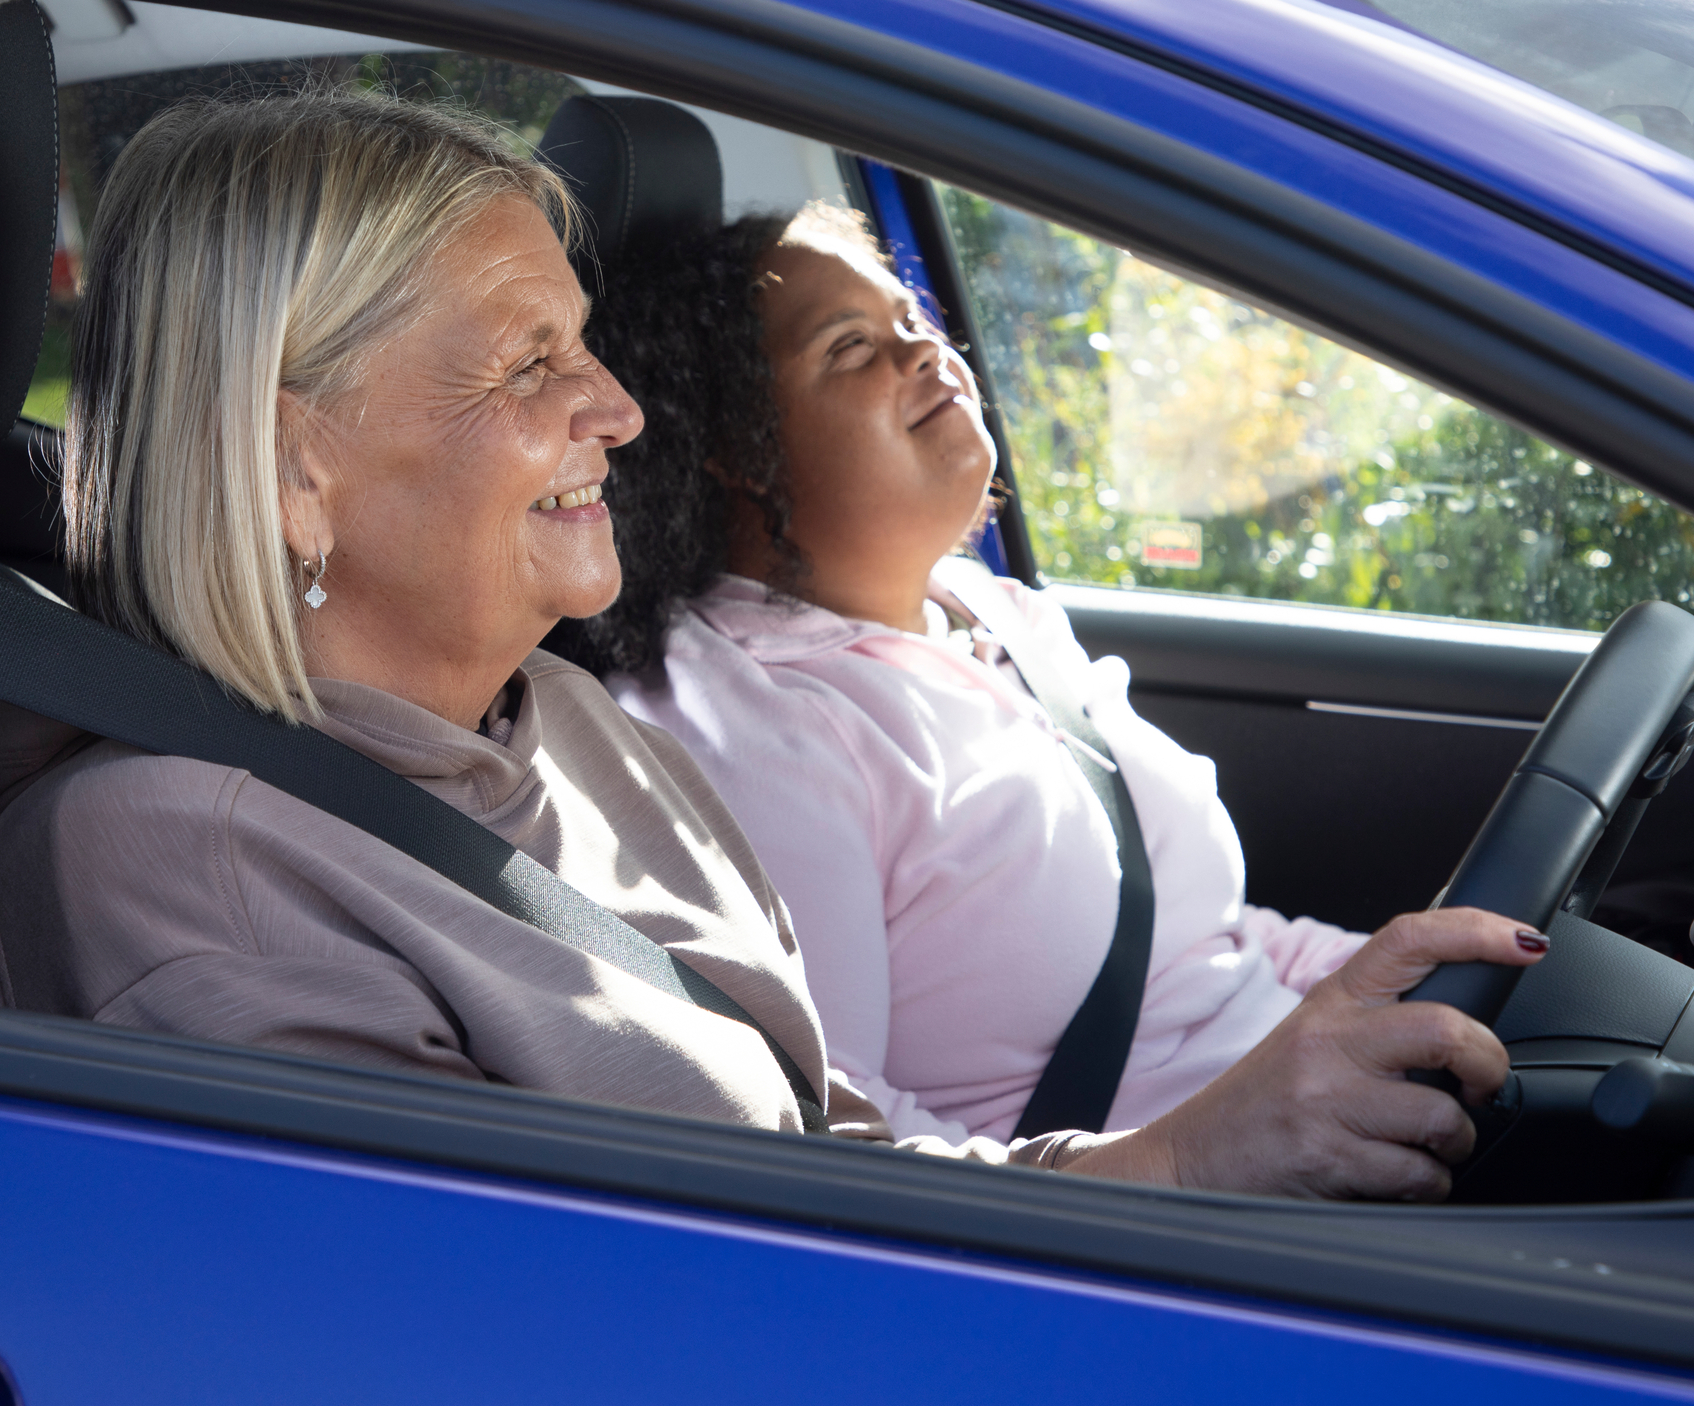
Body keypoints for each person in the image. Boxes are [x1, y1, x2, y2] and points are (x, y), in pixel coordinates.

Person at [0, 87, 1546, 1202]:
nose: (620, 411)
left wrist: (1196, 1160)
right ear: (298, 467)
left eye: (589, 344)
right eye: (528, 366)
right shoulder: (183, 875)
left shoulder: (570, 724)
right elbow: (503, 1322)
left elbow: (813, 1162)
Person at [566, 204, 1371, 1143]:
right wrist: (1185, 1168)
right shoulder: (739, 728)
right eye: (853, 348)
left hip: (1330, 1138)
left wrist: (1391, 981)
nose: (924, 354)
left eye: (913, 322)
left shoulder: (989, 612)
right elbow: (820, 1126)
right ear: (734, 446)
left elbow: (1209, 947)